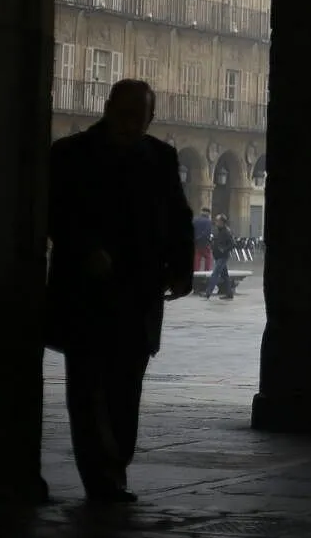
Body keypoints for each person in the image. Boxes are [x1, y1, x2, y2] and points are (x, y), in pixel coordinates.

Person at [45, 79, 193, 503]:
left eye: (139, 116)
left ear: (151, 118)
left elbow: (179, 217)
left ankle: (115, 465)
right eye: (123, 113)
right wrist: (85, 248)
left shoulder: (162, 158)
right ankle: (101, 477)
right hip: (86, 292)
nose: (130, 124)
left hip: (139, 293)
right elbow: (55, 211)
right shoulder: (69, 155)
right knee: (88, 388)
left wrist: (180, 270)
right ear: (107, 108)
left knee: (127, 389)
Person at [202, 213, 236, 301]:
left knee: (215, 274)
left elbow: (233, 244)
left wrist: (224, 249)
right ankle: (229, 294)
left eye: (217, 220)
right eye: (216, 220)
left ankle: (207, 293)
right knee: (225, 276)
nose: (216, 222)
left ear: (222, 222)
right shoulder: (217, 230)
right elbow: (215, 241)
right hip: (217, 256)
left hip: (223, 256)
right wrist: (211, 244)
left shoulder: (226, 231)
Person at [192, 207, 213, 273]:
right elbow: (207, 233)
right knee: (208, 257)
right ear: (208, 213)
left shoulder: (194, 220)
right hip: (204, 243)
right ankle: (207, 271)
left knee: (197, 258)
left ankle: (196, 272)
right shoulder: (208, 222)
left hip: (196, 243)